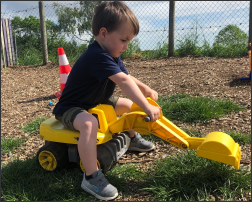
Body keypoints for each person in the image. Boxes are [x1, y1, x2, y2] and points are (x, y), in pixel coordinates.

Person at [53, 1, 161, 200]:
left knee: (129, 106)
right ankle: (91, 176)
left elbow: (127, 77)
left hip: (97, 100)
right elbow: (122, 81)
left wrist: (145, 89)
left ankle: (133, 139)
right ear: (103, 33)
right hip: (71, 107)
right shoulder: (97, 56)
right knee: (89, 123)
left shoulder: (111, 53)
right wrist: (146, 106)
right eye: (123, 40)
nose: (126, 46)